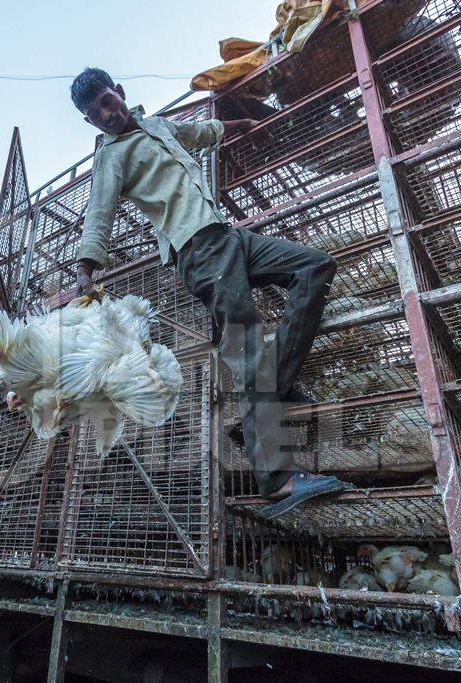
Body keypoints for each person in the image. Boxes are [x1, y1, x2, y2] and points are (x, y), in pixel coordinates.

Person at [69, 68, 352, 518]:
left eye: (106, 101)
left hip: (228, 236)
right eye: (94, 113)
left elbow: (198, 133)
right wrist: (85, 268)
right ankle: (276, 478)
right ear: (89, 123)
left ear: (119, 93)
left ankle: (272, 392)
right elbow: (98, 212)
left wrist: (235, 127)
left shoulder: (155, 125)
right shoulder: (110, 156)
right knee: (247, 343)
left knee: (315, 266)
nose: (105, 114)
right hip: (198, 250)